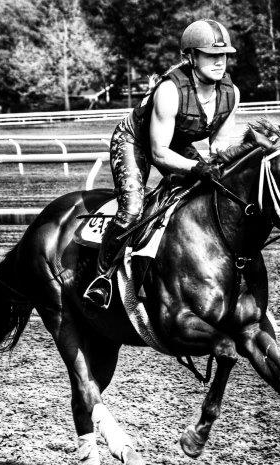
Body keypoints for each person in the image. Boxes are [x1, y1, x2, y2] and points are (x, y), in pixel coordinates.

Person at [84, 18, 241, 309]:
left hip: (176, 142)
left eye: (223, 56)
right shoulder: (170, 91)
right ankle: (101, 278)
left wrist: (217, 165)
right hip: (136, 143)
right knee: (132, 208)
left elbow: (218, 145)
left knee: (211, 189)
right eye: (211, 55)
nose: (220, 62)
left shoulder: (231, 93)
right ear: (190, 57)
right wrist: (196, 167)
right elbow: (159, 154)